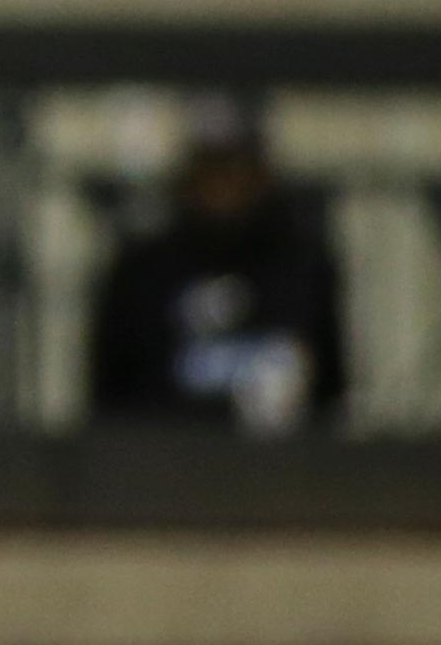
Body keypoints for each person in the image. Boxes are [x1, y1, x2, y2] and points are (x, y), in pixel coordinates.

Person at [91, 96, 347, 434]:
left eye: (234, 167)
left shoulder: (301, 266)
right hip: (163, 469)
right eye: (211, 167)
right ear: (189, 172)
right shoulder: (144, 270)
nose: (222, 185)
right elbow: (110, 392)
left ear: (260, 172)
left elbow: (330, 391)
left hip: (280, 473)